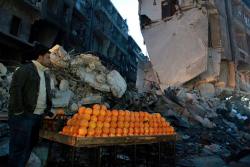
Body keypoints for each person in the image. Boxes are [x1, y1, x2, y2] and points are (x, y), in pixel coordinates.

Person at [8, 43, 54, 167]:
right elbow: (15, 90)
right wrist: (19, 112)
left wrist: (47, 110)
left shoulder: (45, 74)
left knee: (28, 147)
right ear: (40, 57)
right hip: (24, 116)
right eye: (48, 57)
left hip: (38, 117)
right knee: (18, 149)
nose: (50, 60)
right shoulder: (25, 69)